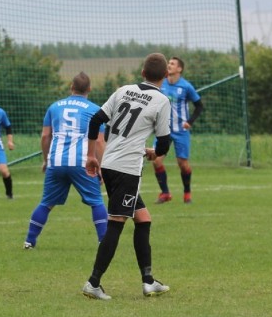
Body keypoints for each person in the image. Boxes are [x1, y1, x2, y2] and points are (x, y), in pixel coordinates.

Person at [81, 53, 172, 301]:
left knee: (143, 219)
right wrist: (154, 152)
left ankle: (148, 281)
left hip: (109, 164)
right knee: (117, 222)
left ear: (142, 73)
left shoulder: (123, 90)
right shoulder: (162, 100)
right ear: (165, 76)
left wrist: (91, 156)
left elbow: (96, 120)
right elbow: (164, 143)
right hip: (126, 169)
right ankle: (93, 282)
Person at [24, 72, 107, 249]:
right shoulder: (95, 110)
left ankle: (29, 241)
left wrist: (46, 160)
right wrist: (101, 166)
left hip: (57, 161)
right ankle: (104, 242)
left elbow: (46, 136)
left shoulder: (54, 107)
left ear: (71, 87)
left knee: (46, 203)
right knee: (96, 201)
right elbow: (99, 141)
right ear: (90, 89)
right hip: (82, 163)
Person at [152, 56, 203, 204]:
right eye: (168, 63)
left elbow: (199, 106)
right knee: (156, 161)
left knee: (183, 164)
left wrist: (190, 122)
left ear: (179, 69)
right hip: (164, 130)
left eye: (172, 64)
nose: (169, 65)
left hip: (181, 130)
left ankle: (187, 193)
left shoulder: (186, 86)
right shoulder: (161, 84)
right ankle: (165, 193)